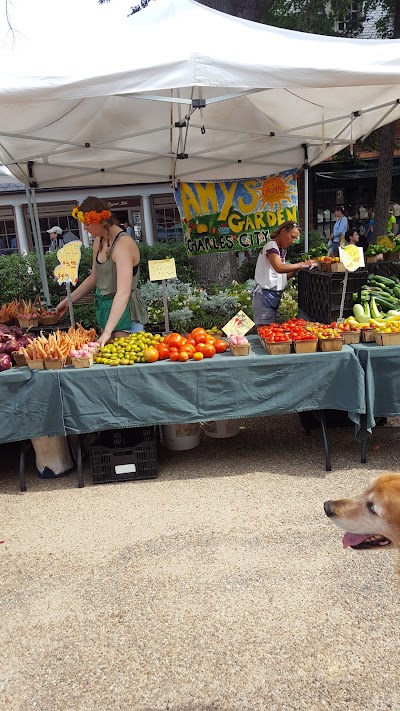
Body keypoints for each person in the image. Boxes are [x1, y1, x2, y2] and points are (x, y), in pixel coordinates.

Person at [55, 196, 148, 346]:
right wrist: (68, 302)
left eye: (87, 224)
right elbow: (94, 278)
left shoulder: (123, 244)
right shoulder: (99, 240)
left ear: (100, 220)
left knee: (125, 361)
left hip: (127, 315)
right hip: (107, 312)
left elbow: (123, 292)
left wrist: (106, 333)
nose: (85, 229)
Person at [252, 220, 315, 326]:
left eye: (295, 238)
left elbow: (283, 276)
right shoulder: (271, 245)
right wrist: (302, 264)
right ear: (283, 231)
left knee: (272, 332)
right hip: (265, 295)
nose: (293, 241)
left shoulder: (279, 250)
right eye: (292, 237)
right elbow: (279, 268)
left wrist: (296, 269)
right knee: (266, 331)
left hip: (274, 295)